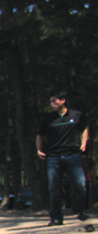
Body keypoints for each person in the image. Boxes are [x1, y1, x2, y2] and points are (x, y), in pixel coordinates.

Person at [37, 92, 89, 226]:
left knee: (80, 184)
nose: (52, 104)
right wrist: (39, 150)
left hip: (73, 155)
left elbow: (84, 129)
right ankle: (56, 217)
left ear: (63, 101)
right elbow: (40, 135)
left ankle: (79, 210)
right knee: (54, 187)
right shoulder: (48, 118)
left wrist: (83, 143)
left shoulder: (76, 115)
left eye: (54, 101)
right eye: (50, 102)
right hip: (53, 156)